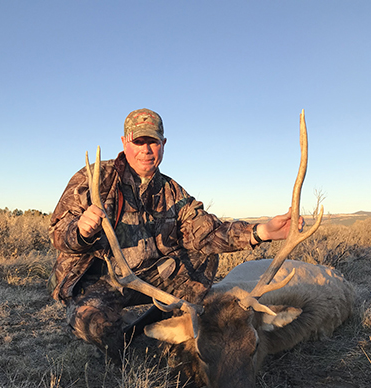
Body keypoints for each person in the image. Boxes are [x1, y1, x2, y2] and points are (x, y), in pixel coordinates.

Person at [49, 108, 302, 362]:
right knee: (100, 327)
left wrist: (262, 232)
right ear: (125, 142)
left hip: (147, 277)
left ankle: (154, 329)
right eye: (138, 141)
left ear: (163, 144)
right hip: (96, 282)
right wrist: (80, 231)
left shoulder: (171, 190)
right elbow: (57, 233)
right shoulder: (94, 179)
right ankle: (120, 354)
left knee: (203, 258)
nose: (146, 150)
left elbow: (208, 231)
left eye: (153, 142)